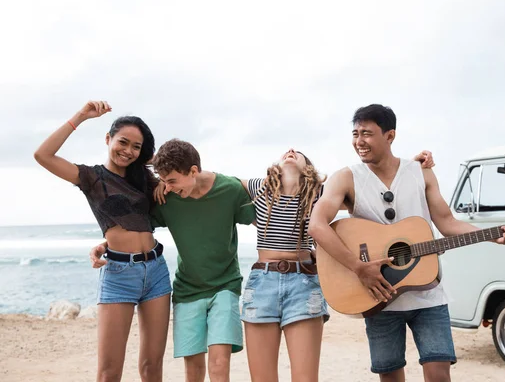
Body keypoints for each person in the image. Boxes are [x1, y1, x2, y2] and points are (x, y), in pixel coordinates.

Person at [308, 104, 505, 382]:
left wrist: (494, 235)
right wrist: (358, 267)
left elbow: (447, 222)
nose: (359, 142)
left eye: (367, 133)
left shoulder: (420, 172)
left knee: (439, 375)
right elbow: (317, 225)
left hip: (428, 294)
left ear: (390, 136)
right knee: (390, 377)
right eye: (355, 133)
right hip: (378, 295)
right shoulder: (346, 177)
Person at [239, 148, 435, 382]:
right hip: (262, 283)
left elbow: (372, 191)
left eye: (298, 153)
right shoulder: (258, 188)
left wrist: (409, 168)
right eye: (286, 152)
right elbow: (216, 184)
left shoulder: (319, 193)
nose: (290, 151)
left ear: (308, 169)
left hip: (304, 283)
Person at [92, 138, 255, 382]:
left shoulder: (229, 189)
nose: (167, 187)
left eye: (172, 181)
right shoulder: (167, 199)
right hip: (187, 290)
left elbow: (262, 218)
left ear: (193, 171)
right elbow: (138, 230)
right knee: (193, 370)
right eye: (163, 181)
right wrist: (106, 244)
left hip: (225, 285)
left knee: (219, 363)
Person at [34, 101, 171, 382]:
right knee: (109, 372)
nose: (128, 151)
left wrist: (150, 163)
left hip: (157, 270)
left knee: (152, 366)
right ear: (107, 139)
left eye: (136, 147)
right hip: (119, 274)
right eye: (122, 142)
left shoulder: (142, 178)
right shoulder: (92, 177)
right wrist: (81, 116)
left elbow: (170, 165)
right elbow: (43, 155)